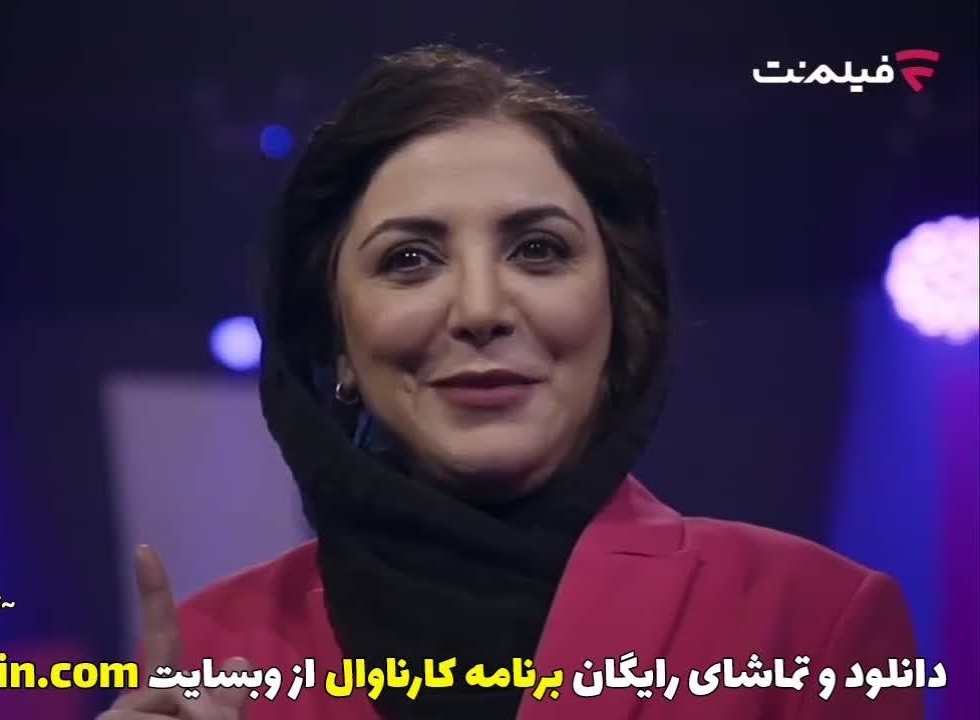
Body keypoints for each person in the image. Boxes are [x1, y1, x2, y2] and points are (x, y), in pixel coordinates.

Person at [100, 44, 924, 720]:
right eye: (409, 259)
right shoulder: (212, 653)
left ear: (621, 314)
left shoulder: (809, 622)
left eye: (539, 250)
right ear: (337, 345)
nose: (481, 310)